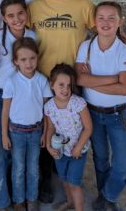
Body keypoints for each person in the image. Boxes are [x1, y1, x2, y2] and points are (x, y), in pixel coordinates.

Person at [28, 0, 95, 203]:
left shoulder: (84, 6)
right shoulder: (34, 7)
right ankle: (47, 179)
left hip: (70, 83)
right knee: (47, 131)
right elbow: (13, 31)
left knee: (72, 130)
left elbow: (104, 30)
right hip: (44, 83)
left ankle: (68, 176)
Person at [75, 1, 126, 211]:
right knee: (100, 158)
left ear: (120, 22)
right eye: (101, 17)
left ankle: (108, 196)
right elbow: (80, 80)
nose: (106, 22)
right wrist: (113, 79)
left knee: (123, 163)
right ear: (94, 22)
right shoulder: (86, 47)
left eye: (112, 18)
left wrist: (93, 80)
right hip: (92, 113)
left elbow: (124, 90)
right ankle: (104, 198)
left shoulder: (125, 51)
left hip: (117, 114)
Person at [0, 0, 36, 211]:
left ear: (27, 13)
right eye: (10, 15)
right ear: (3, 18)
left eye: (20, 13)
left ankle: (18, 196)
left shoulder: (33, 37)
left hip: (22, 98)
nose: (16, 19)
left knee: (17, 147)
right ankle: (0, 200)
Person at [1, 37, 52, 211]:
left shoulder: (42, 81)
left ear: (37, 58)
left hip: (36, 131)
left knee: (33, 167)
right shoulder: (11, 82)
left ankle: (32, 199)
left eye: (32, 58)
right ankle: (18, 200)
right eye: (23, 59)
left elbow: (47, 111)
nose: (28, 63)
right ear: (16, 61)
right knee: (18, 167)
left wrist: (45, 133)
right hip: (16, 132)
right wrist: (4, 135)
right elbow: (5, 111)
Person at [45, 63, 92, 211]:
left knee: (74, 184)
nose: (65, 89)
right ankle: (70, 202)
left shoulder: (78, 103)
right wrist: (48, 146)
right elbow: (50, 127)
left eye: (68, 85)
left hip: (78, 151)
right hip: (60, 152)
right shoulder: (49, 107)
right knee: (64, 180)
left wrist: (78, 147)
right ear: (52, 85)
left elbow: (89, 128)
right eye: (61, 85)